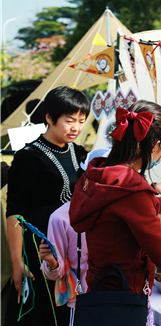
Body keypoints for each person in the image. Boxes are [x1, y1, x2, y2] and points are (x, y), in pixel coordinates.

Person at [69, 101, 161, 301]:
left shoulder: (99, 176)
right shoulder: (131, 189)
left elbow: (126, 210)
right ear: (155, 147)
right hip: (124, 299)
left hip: (99, 289)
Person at [6, 86, 90, 326]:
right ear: (50, 118)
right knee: (43, 312)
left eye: (82, 121)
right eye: (69, 120)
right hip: (40, 247)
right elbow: (15, 211)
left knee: (69, 310)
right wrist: (16, 260)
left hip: (72, 246)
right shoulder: (27, 157)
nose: (76, 127)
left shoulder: (79, 152)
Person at [37, 149, 109, 325]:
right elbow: (56, 273)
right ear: (84, 179)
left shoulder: (119, 212)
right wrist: (52, 262)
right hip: (79, 303)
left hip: (114, 299)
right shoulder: (60, 217)